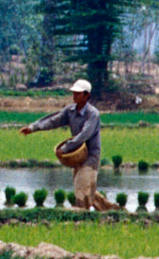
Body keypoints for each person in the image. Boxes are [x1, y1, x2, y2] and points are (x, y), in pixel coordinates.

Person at [21, 77, 110, 209]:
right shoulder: (70, 111)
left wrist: (66, 148)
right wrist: (33, 128)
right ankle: (110, 210)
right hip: (77, 154)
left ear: (86, 95)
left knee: (81, 185)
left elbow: (83, 135)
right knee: (85, 186)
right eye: (73, 93)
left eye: (78, 93)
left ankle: (82, 215)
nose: (74, 96)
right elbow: (53, 120)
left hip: (90, 155)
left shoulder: (93, 114)